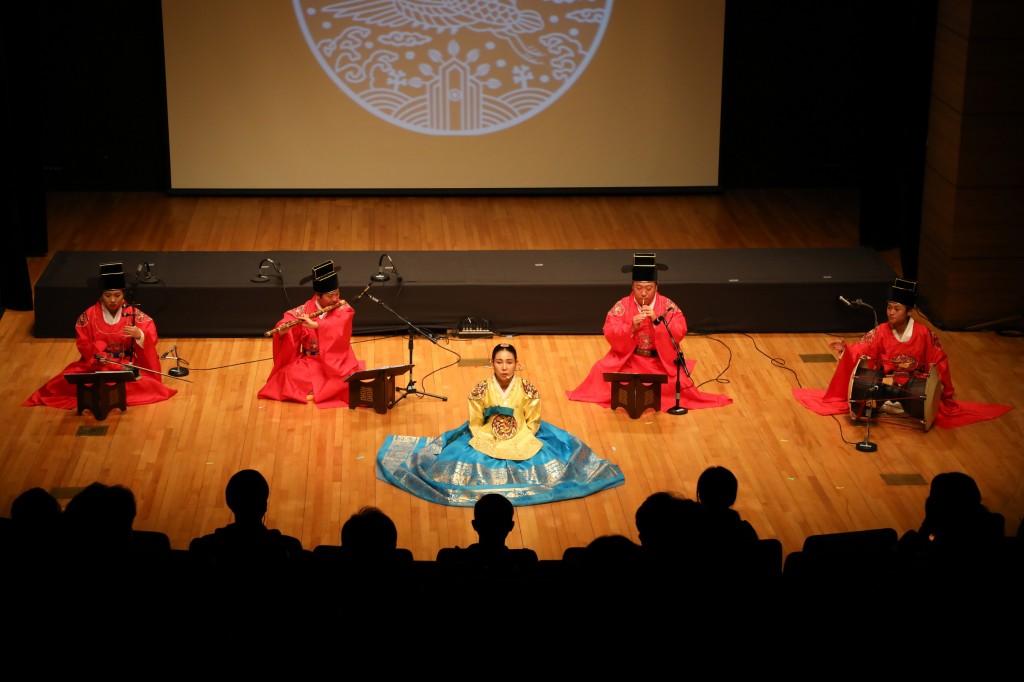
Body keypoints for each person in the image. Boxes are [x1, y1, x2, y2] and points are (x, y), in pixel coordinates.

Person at [376, 342, 625, 506]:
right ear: (491, 363)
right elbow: (475, 420)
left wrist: (521, 438)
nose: (504, 367)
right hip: (487, 432)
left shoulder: (527, 389)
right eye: (499, 362)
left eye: (509, 362)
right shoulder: (481, 390)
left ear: (517, 364)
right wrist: (487, 437)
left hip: (522, 432)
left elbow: (533, 418)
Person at [793, 278, 1012, 428]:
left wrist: (940, 388)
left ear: (909, 311)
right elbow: (863, 350)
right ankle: (888, 403)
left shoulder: (924, 334)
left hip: (913, 385)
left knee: (916, 398)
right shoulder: (881, 332)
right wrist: (846, 350)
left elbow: (939, 361)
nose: (891, 313)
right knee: (869, 389)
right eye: (889, 307)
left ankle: (903, 403)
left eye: (896, 309)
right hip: (885, 384)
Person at [566, 252, 732, 411]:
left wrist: (657, 322)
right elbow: (609, 329)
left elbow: (680, 329)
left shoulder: (668, 306)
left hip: (658, 362)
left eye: (648, 288)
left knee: (678, 384)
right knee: (600, 371)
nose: (643, 293)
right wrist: (630, 328)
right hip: (630, 360)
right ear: (632, 286)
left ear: (656, 286)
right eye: (639, 288)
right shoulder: (622, 306)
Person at [24, 262, 177, 409]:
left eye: (117, 295)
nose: (112, 300)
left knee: (150, 386)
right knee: (62, 385)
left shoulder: (134, 315)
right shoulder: (89, 316)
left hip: (125, 364)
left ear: (123, 295)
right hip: (97, 364)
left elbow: (150, 335)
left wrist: (140, 335)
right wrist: (96, 357)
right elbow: (83, 343)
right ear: (101, 295)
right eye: (108, 295)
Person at [257, 260, 365, 408]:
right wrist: (283, 331)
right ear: (318, 296)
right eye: (330, 296)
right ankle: (318, 389)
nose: (335, 299)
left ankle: (319, 390)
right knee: (286, 376)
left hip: (337, 360)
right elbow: (288, 318)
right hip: (311, 360)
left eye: (337, 294)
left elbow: (341, 328)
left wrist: (318, 325)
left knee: (346, 380)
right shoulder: (305, 309)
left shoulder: (344, 308)